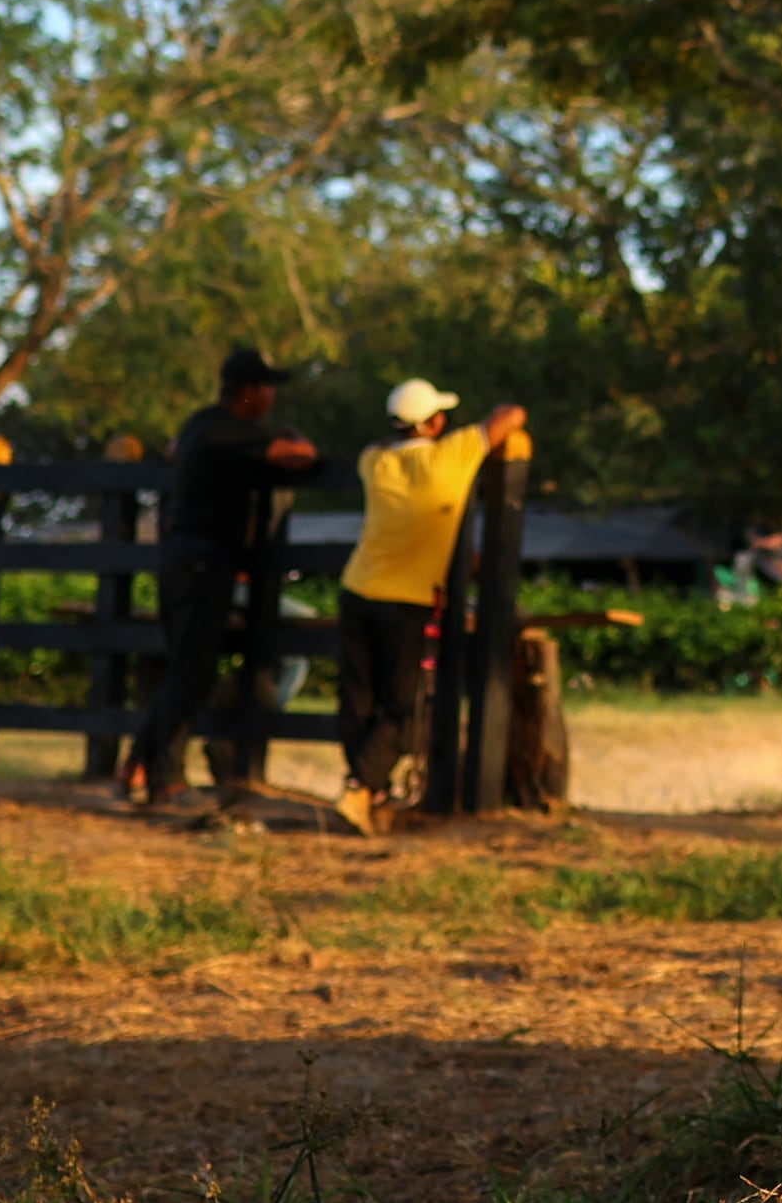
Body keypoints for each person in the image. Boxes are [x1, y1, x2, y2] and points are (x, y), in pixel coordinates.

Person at [129, 343, 319, 818]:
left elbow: (174, 451)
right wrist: (293, 439)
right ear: (249, 391)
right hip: (202, 561)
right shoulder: (230, 431)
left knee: (184, 668)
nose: (272, 398)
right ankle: (166, 782)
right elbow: (297, 456)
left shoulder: (199, 425)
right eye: (268, 388)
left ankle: (138, 764)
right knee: (192, 671)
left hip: (182, 558)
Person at [328, 379, 511, 839]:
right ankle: (360, 788)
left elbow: (384, 442)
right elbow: (511, 415)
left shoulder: (374, 460)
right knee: (400, 704)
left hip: (357, 587)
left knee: (358, 700)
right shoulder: (452, 455)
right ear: (435, 422)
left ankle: (373, 796)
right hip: (407, 599)